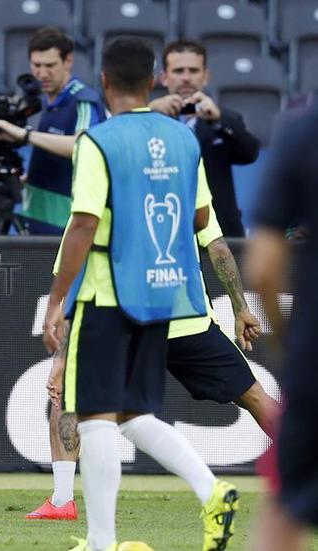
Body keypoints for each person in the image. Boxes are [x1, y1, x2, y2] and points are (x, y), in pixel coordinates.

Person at [10, 127, 278, 525]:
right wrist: (241, 309)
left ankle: (66, 501)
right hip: (186, 317)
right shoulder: (179, 181)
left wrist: (61, 354)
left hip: (127, 321)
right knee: (254, 397)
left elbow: (80, 285)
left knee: (78, 403)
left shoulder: (93, 212)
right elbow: (217, 245)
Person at [42, 37, 238, 551]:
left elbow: (83, 223)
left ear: (104, 82)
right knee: (133, 414)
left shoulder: (99, 141)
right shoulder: (182, 140)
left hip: (108, 293)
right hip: (160, 294)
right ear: (153, 82)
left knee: (96, 415)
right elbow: (199, 218)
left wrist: (56, 299)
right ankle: (212, 490)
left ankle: (101, 542)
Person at [246, 100, 318, 551]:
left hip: (315, 361)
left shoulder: (301, 131)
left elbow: (263, 267)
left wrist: (285, 344)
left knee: (284, 509)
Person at [0, 27, 106, 235]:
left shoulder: (84, 101)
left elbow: (82, 146)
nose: (42, 74)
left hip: (66, 225)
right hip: (36, 216)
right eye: (37, 65)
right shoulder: (46, 102)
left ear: (68, 61)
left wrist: (25, 135)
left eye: (50, 65)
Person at [148, 40, 259, 238]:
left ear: (206, 76)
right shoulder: (150, 121)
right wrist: (147, 115)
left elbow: (250, 153)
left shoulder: (225, 120)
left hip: (220, 236)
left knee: (228, 272)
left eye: (193, 70)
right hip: (164, 229)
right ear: (163, 77)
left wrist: (218, 120)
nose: (186, 78)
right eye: (178, 71)